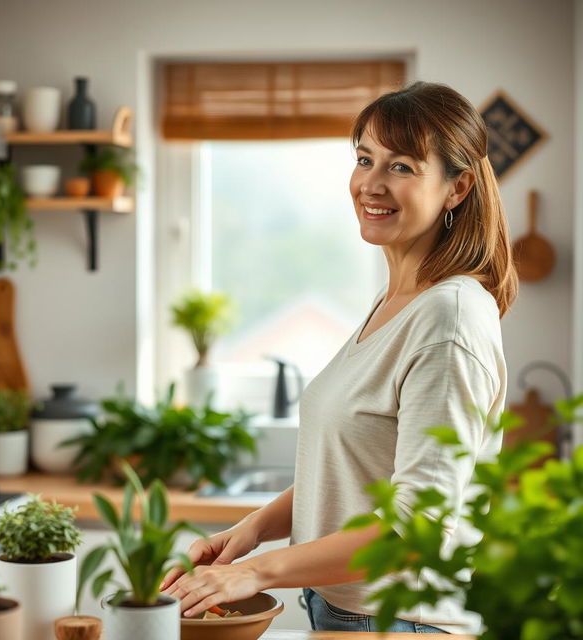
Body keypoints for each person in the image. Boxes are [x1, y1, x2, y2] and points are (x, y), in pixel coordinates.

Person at [161, 81, 518, 634]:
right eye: (364, 159)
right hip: (349, 611)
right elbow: (360, 466)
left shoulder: (448, 318)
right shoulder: (397, 301)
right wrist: (253, 529)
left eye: (401, 166)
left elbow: (418, 525)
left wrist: (253, 574)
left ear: (457, 187)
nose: (370, 184)